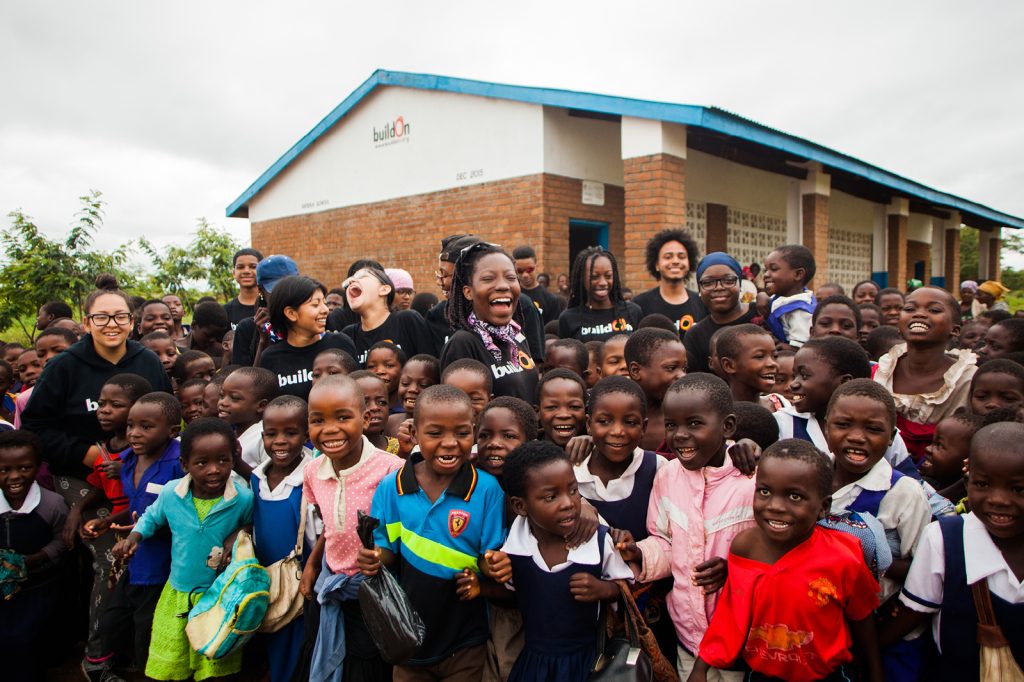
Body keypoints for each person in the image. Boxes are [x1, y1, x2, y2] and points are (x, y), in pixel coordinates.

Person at [692, 439, 883, 682]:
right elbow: (732, 613)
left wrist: (875, 673)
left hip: (826, 676)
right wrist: (702, 666)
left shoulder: (844, 556)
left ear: (823, 507)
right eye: (764, 491)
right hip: (762, 675)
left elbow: (862, 619)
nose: (775, 506)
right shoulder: (745, 547)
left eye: (794, 496)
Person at [359, 385, 509, 680]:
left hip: (466, 640)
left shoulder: (487, 490)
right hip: (407, 637)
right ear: (414, 434)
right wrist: (375, 558)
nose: (450, 443)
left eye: (462, 433)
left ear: (474, 432)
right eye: (435, 433)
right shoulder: (391, 488)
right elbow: (387, 550)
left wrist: (492, 565)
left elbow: (487, 557)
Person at [621, 374, 755, 681]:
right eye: (672, 425)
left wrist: (733, 569)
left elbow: (777, 550)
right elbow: (664, 540)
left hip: (743, 638)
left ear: (728, 427)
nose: (680, 435)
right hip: (689, 634)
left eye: (694, 423)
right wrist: (639, 552)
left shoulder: (752, 480)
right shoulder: (668, 477)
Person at [112, 418, 254, 680]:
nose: (214, 470)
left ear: (232, 461)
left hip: (219, 598)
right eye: (202, 463)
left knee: (213, 664)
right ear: (184, 464)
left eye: (222, 460)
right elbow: (151, 517)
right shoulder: (171, 494)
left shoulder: (242, 497)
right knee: (172, 663)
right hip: (179, 592)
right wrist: (133, 538)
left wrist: (240, 533)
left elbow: (252, 522)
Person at [883, 422, 1024, 680]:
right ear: (967, 481)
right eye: (983, 485)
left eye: (1018, 489)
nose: (999, 499)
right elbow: (912, 614)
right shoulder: (943, 540)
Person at [825, 379, 932, 680]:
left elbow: (921, 572)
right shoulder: (812, 477)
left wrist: (864, 556)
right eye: (843, 424)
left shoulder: (904, 492)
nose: (857, 437)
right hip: (827, 628)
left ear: (892, 437)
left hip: (888, 630)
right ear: (825, 428)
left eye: (873, 429)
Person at [501, 441, 633, 682]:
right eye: (551, 496)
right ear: (520, 506)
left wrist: (604, 590)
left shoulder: (597, 541)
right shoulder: (515, 546)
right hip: (535, 665)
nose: (568, 503)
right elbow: (510, 592)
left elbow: (626, 589)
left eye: (573, 490)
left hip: (587, 663)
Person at [298, 376, 402, 681]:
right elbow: (329, 526)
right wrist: (313, 564)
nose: (330, 429)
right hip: (331, 586)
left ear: (365, 418)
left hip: (373, 593)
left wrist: (382, 557)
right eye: (318, 420)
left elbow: (402, 537)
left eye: (343, 417)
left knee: (365, 666)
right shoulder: (313, 471)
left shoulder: (390, 470)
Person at [84, 392, 183, 680]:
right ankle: (104, 665)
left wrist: (146, 530)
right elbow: (136, 505)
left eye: (146, 427)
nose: (134, 433)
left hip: (162, 565)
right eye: (130, 426)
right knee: (114, 621)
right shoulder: (127, 461)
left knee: (147, 630)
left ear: (172, 431)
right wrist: (109, 522)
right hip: (134, 559)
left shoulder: (179, 463)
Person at [251, 395, 314, 682]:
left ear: (307, 434)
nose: (280, 441)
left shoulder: (312, 477)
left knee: (295, 649)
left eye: (291, 433)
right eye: (271, 434)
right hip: (264, 581)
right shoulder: (256, 478)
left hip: (299, 583)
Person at [873, 286, 976, 462]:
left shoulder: (968, 381)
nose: (919, 314)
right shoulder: (880, 373)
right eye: (909, 309)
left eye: (934, 310)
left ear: (955, 329)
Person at [0, 430, 69, 681]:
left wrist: (34, 559)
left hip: (38, 588)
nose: (15, 476)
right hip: (3, 591)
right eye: (4, 470)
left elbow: (63, 541)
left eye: (25, 467)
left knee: (26, 643)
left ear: (38, 467)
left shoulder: (52, 504)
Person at [440, 242, 540, 402]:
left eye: (511, 277)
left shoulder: (516, 336)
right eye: (488, 279)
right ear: (468, 292)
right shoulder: (463, 344)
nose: (502, 285)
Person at [574, 376, 665, 541]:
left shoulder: (658, 469)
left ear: (644, 427)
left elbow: (668, 537)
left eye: (630, 422)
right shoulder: (571, 471)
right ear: (588, 424)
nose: (617, 431)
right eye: (604, 421)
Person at [428, 235, 546, 360]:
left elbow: (533, 366)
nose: (440, 282)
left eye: (445, 274)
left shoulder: (521, 307)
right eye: (439, 273)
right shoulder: (437, 316)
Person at [257, 275, 357, 401]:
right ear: (291, 313)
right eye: (315, 305)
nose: (325, 310)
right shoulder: (271, 357)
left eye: (324, 303)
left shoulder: (340, 343)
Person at [683, 253, 756, 375]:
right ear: (699, 289)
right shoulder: (695, 336)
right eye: (708, 282)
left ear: (740, 284)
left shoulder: (761, 314)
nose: (719, 287)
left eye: (728, 280)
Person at [341, 266, 431, 365]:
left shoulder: (407, 320)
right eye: (351, 279)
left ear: (384, 289)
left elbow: (429, 366)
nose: (352, 281)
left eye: (362, 277)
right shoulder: (348, 335)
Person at [633, 228, 708, 338]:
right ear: (657, 264)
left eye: (681, 257)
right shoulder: (640, 304)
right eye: (668, 257)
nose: (675, 261)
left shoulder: (703, 303)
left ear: (689, 262)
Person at [558, 246, 642, 343]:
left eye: (608, 276)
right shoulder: (568, 318)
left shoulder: (632, 312)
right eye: (594, 277)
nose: (603, 282)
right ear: (582, 278)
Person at [624, 327, 687, 452]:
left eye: (684, 368)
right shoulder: (617, 416)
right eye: (671, 368)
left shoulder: (688, 413)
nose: (682, 375)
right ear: (635, 371)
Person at [232, 254, 300, 367]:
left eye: (290, 288)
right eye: (276, 290)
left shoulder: (310, 321)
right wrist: (263, 340)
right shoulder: (248, 328)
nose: (284, 295)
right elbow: (244, 382)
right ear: (261, 291)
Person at [219, 366, 278, 470]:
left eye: (234, 398)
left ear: (261, 406)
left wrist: (238, 464)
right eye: (222, 395)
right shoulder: (228, 432)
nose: (223, 402)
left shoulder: (264, 436)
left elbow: (267, 482)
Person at [714, 324, 782, 408]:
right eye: (759, 356)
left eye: (774, 356)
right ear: (729, 365)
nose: (772, 363)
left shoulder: (780, 406)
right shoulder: (717, 414)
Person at [763, 245, 817, 349]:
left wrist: (778, 346)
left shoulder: (800, 312)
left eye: (773, 269)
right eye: (765, 270)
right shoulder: (784, 297)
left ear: (798, 274)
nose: (766, 274)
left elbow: (800, 348)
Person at [920, 412, 981, 497]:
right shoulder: (919, 481)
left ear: (968, 459)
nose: (927, 448)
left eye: (939, 445)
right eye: (931, 442)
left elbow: (932, 505)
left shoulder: (973, 498)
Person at [385, 354, 439, 436]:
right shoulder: (390, 423)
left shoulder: (440, 426)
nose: (412, 389)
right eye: (405, 383)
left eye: (423, 385)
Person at [537, 368, 588, 450]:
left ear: (585, 410)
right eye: (551, 407)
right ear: (538, 412)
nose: (563, 415)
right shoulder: (526, 455)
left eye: (574, 407)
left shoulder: (597, 450)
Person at [512, 245, 563, 324]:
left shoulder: (550, 299)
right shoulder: (511, 296)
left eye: (529, 270)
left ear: (536, 265)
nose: (525, 275)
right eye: (520, 271)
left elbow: (552, 331)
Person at [223, 248, 264, 328]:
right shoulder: (225, 311)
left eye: (253, 266)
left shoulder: (271, 307)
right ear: (234, 273)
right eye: (240, 267)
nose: (246, 271)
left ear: (262, 271)